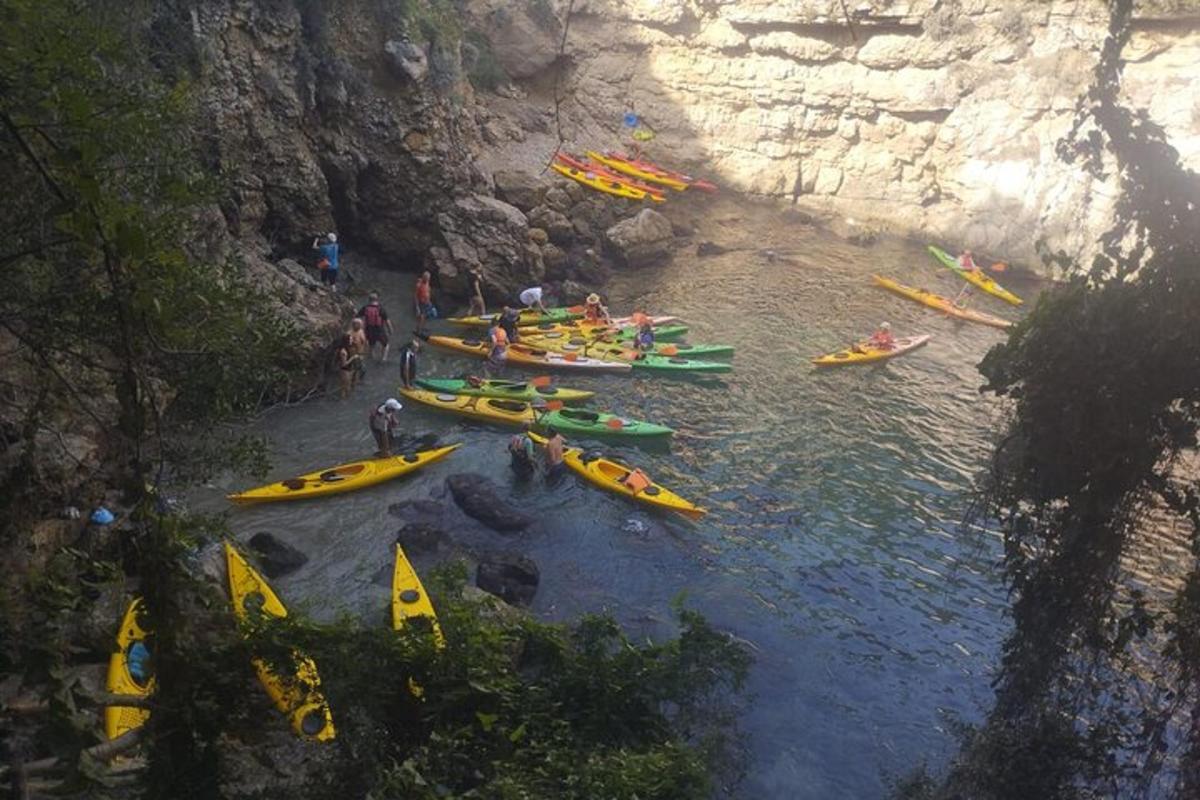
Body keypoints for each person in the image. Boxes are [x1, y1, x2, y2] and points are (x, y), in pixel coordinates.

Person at [358, 292, 393, 361]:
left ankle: (371, 357)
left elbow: (357, 317)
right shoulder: (381, 309)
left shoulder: (365, 308)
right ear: (377, 300)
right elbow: (387, 321)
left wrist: (360, 329)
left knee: (371, 345)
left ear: (369, 300)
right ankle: (383, 358)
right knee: (386, 345)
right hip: (379, 330)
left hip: (369, 329)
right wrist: (390, 330)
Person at [334, 334, 363, 399]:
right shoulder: (343, 352)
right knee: (345, 387)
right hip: (345, 370)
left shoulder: (348, 348)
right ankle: (343, 399)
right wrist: (353, 357)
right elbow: (344, 364)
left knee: (348, 386)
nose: (351, 340)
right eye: (350, 339)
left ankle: (346, 398)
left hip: (349, 369)